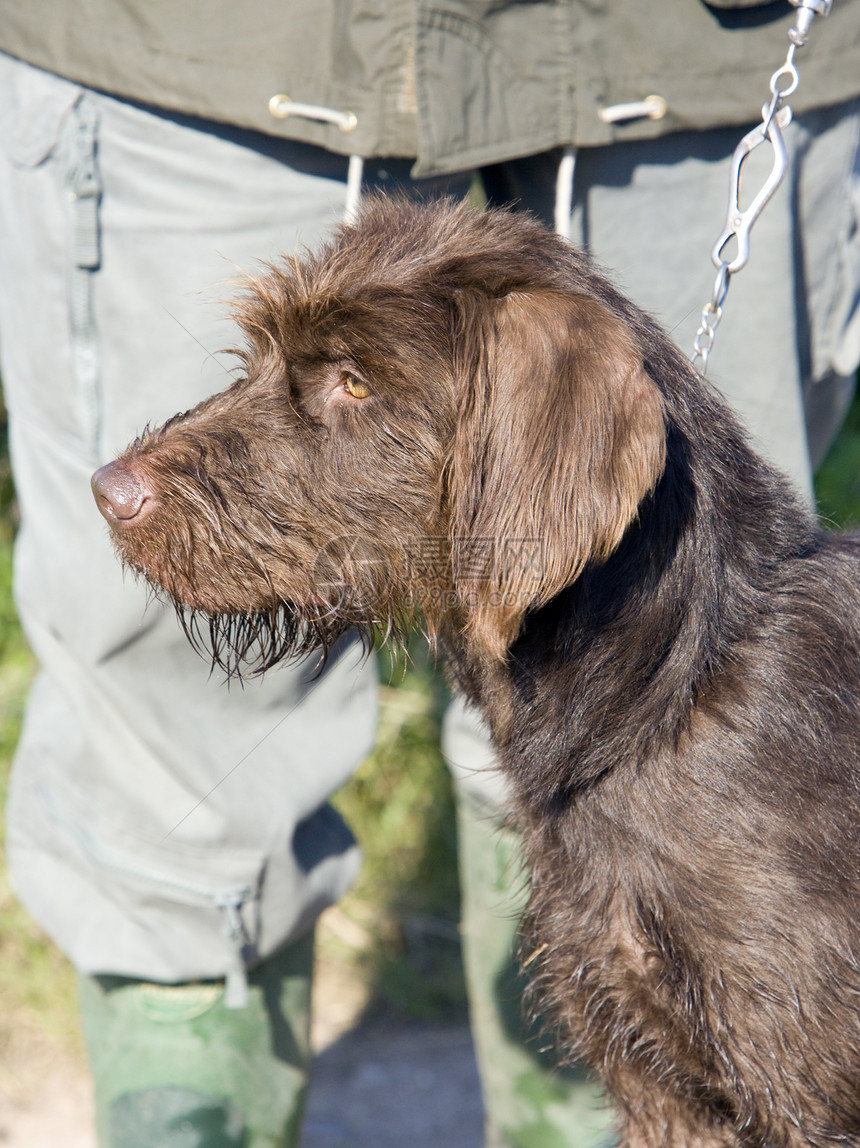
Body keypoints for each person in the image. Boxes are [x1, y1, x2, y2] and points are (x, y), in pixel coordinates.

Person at [0, 3, 858, 1146]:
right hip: (228, 53)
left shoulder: (766, 811)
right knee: (166, 751)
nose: (140, 476)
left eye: (344, 385)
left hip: (682, 51)